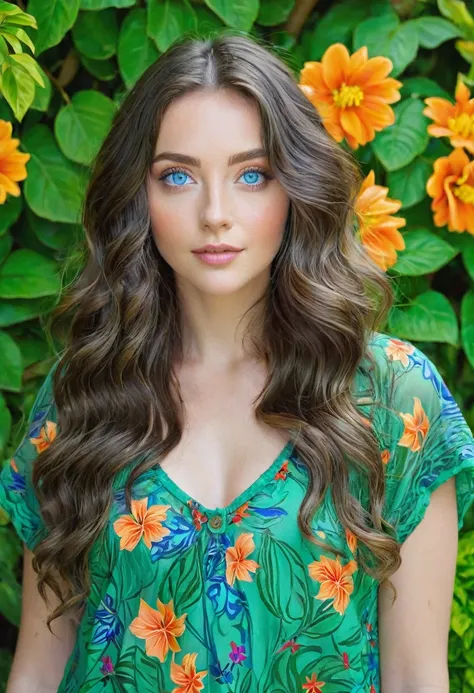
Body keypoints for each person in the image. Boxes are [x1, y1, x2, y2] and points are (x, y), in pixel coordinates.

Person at [1, 31, 474, 693]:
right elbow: (37, 669)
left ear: (297, 188)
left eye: (253, 175)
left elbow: (416, 676)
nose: (215, 214)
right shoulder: (85, 391)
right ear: (138, 197)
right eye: (178, 176)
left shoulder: (393, 399)